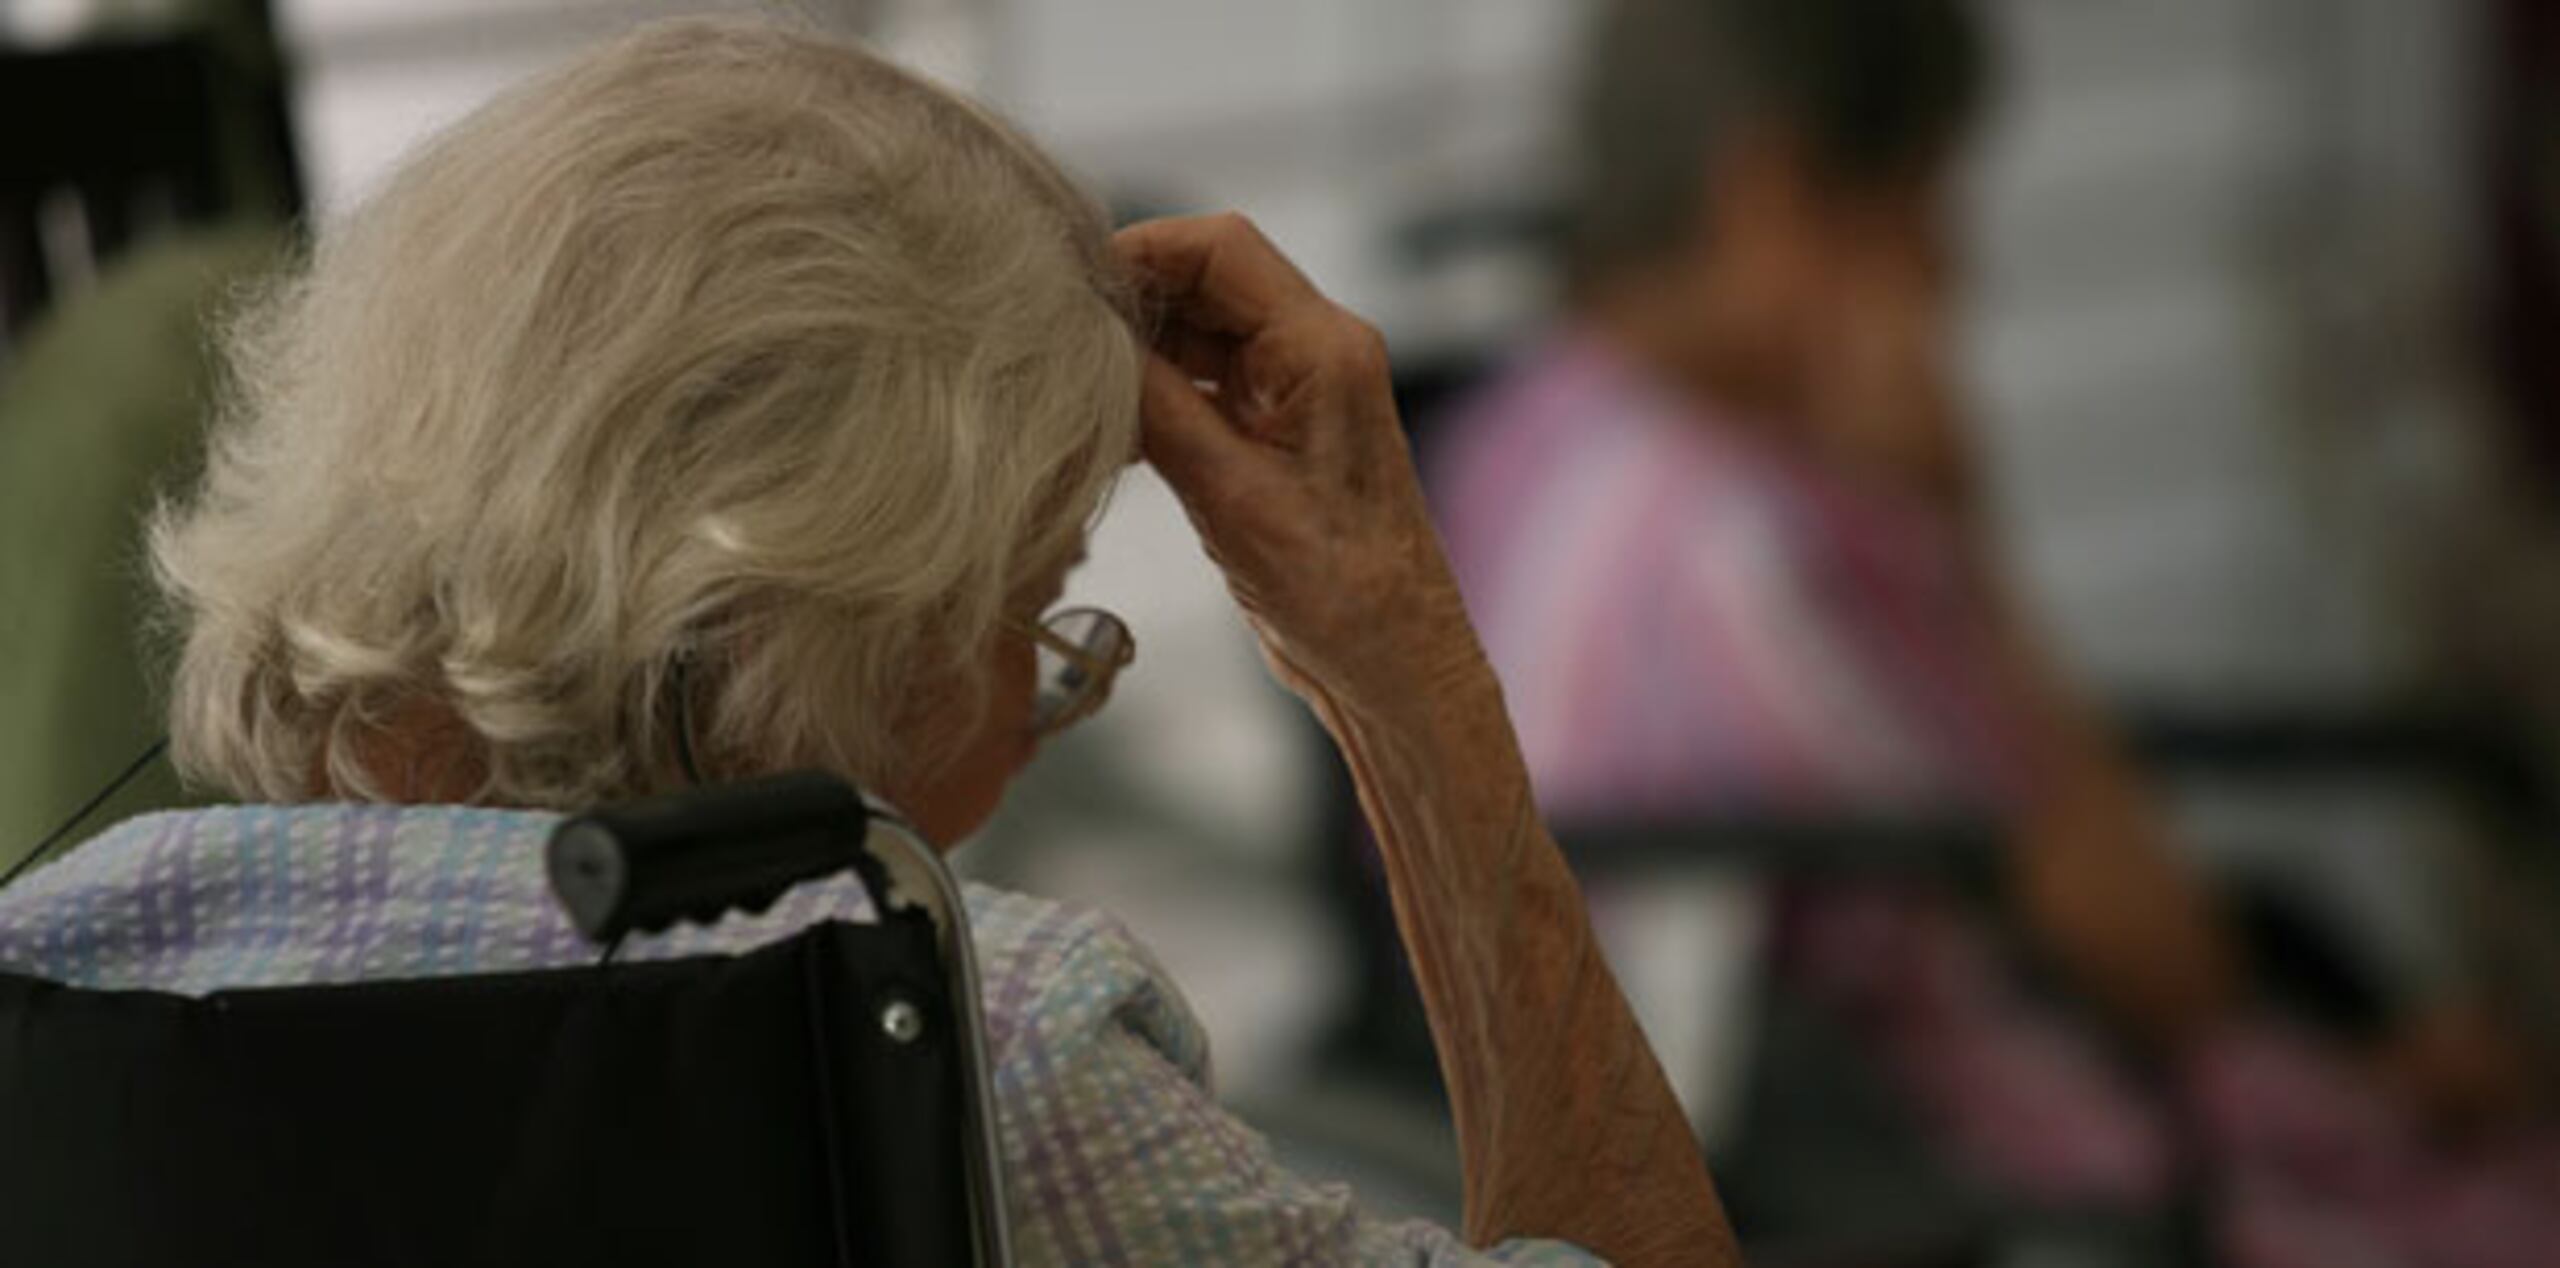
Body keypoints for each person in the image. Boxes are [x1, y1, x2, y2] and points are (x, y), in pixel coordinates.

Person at [0, 19, 1736, 1267]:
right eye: (1033, 598)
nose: (1047, 694)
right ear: (850, 618)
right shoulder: (964, 1063)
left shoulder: (60, 968)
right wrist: (1398, 657)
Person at [1430, 1, 2553, 1264]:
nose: (1957, 271)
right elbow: (2156, 961)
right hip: (2021, 1189)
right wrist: (1962, 537)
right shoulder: (1761, 553)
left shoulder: (1504, 437)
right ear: (1774, 200)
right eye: (1924, 206)